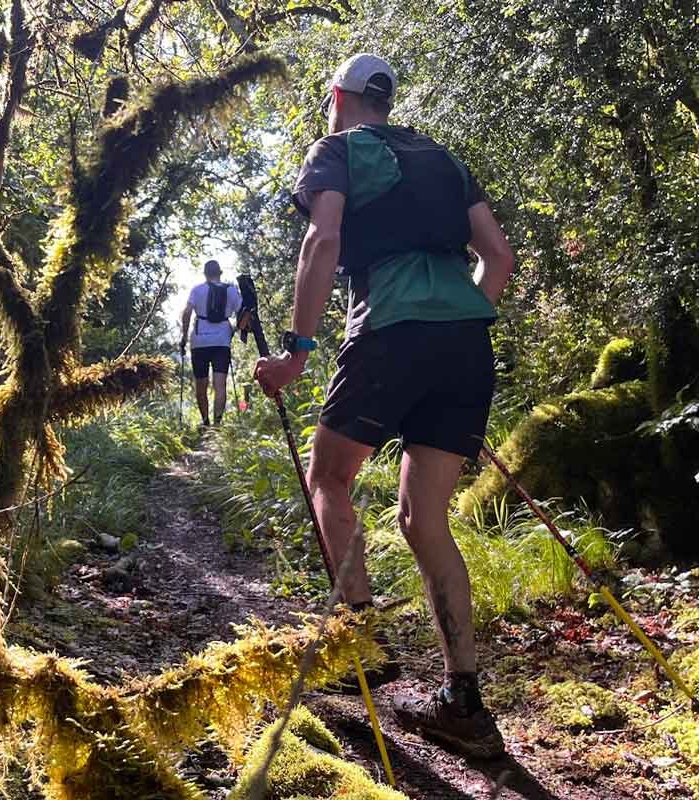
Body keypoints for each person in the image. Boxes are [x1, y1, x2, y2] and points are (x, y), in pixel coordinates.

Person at [254, 53, 515, 758]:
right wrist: (455, 329)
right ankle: (463, 700)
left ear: (337, 96)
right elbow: (498, 257)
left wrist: (297, 351)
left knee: (329, 476)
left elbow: (324, 236)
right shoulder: (444, 159)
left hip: (388, 328)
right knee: (423, 518)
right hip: (465, 343)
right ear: (386, 100)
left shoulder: (336, 150)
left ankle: (360, 647)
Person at [181, 259, 242, 427]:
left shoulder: (197, 290)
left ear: (205, 274)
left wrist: (184, 337)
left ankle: (205, 422)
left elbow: (187, 313)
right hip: (221, 342)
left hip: (199, 342)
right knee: (220, 384)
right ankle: (217, 424)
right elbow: (243, 314)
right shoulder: (231, 291)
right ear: (220, 273)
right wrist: (234, 330)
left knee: (201, 384)